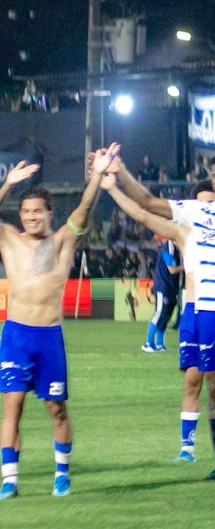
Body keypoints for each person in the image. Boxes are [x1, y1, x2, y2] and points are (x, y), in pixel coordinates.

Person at [117, 150, 215, 481]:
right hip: (204, 312)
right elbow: (145, 204)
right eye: (214, 176)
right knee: (211, 384)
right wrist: (118, 173)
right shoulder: (193, 218)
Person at [0, 147, 118, 498]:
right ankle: (10, 479)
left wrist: (96, 175)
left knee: (56, 408)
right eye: (25, 211)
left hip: (49, 336)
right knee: (13, 405)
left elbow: (83, 209)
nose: (30, 217)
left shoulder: (62, 241)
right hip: (16, 335)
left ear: (50, 214)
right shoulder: (8, 239)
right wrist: (6, 183)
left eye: (37, 211)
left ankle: (62, 474)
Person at [141, 235, 181, 353]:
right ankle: (148, 343)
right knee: (159, 313)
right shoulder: (168, 249)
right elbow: (172, 269)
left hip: (171, 288)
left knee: (166, 315)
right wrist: (185, 267)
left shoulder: (175, 250)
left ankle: (159, 343)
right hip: (162, 287)